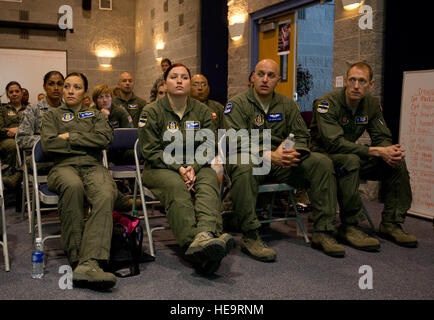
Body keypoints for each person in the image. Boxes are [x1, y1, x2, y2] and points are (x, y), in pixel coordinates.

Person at [224, 59, 340, 260]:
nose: (265, 80)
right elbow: (235, 140)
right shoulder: (237, 104)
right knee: (243, 164)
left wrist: (291, 151)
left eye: (271, 75)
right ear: (252, 77)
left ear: (278, 79)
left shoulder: (287, 104)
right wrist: (269, 154)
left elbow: (302, 135)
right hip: (251, 158)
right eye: (260, 74)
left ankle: (324, 231)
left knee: (321, 163)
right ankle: (251, 236)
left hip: (282, 161)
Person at [138, 63, 234, 275]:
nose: (179, 80)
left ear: (190, 83)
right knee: (177, 188)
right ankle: (194, 244)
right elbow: (150, 150)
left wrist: (193, 166)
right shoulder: (151, 111)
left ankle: (205, 235)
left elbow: (209, 146)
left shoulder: (202, 111)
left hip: (196, 165)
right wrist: (179, 168)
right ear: (165, 83)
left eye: (184, 77)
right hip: (160, 168)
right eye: (174, 77)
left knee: (209, 180)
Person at [310, 61, 417, 249]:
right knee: (350, 161)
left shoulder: (372, 105)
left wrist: (388, 152)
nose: (356, 86)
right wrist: (376, 151)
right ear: (345, 81)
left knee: (395, 162)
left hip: (352, 155)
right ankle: (350, 226)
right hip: (324, 158)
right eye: (352, 80)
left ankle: (391, 223)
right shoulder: (326, 103)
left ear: (371, 84)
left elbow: (382, 136)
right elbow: (333, 143)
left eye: (361, 81)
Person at [41, 72, 118, 290]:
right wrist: (87, 141)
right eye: (67, 87)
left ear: (84, 92)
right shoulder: (52, 116)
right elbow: (49, 145)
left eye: (76, 87)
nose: (70, 91)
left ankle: (89, 262)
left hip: (92, 166)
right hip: (62, 167)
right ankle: (76, 257)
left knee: (105, 193)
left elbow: (105, 139)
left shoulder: (95, 114)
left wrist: (70, 137)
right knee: (73, 186)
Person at [17, 71, 64, 155]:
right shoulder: (33, 109)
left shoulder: (67, 110)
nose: (56, 88)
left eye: (60, 84)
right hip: (41, 157)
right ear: (44, 87)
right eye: (51, 84)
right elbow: (22, 139)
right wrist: (52, 140)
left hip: (66, 156)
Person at [0, 81, 27, 190]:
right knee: (14, 145)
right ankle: (9, 174)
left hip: (25, 138)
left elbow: (36, 128)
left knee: (35, 147)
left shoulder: (29, 109)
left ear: (21, 93)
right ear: (7, 95)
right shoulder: (2, 109)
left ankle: (18, 175)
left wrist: (19, 130)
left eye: (17, 91)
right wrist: (9, 131)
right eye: (11, 92)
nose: (14, 94)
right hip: (6, 139)